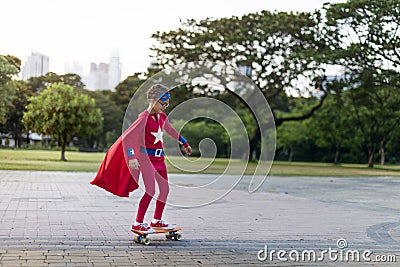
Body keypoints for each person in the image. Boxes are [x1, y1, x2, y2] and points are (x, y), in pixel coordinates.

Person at [91, 84, 192, 234]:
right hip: (147, 160)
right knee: (150, 190)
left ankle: (157, 220)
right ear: (152, 100)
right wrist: (131, 156)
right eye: (163, 103)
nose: (165, 107)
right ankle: (138, 223)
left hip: (160, 160)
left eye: (167, 104)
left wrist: (185, 143)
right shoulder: (143, 117)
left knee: (164, 190)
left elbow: (170, 130)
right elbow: (129, 138)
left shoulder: (162, 117)